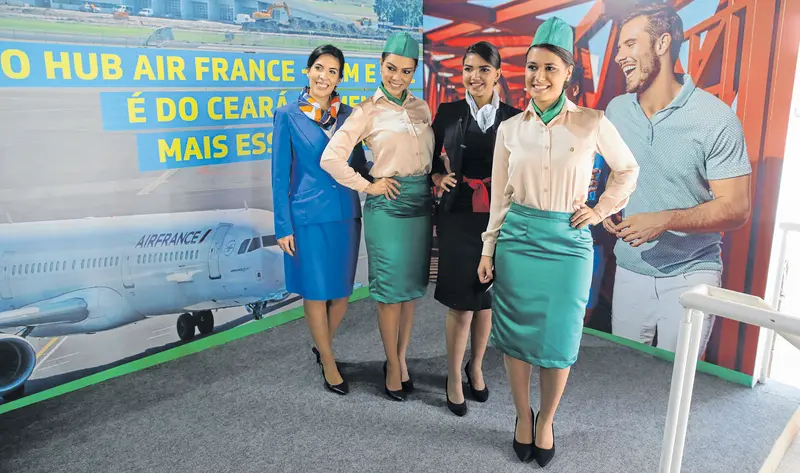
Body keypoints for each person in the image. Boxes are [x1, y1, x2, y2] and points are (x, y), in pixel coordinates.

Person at [476, 17, 639, 466]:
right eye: (532, 67)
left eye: (550, 67)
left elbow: (628, 170)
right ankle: (521, 416)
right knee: (514, 336)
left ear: (568, 73)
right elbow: (500, 197)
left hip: (569, 245)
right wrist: (488, 249)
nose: (539, 76)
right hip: (518, 240)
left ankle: (546, 419)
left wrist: (600, 210)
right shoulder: (510, 129)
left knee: (559, 341)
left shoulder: (592, 122)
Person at [603, 3, 752, 356]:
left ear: (662, 43)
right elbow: (619, 172)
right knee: (622, 375)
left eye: (629, 44)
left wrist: (665, 219)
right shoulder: (616, 111)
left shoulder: (716, 119)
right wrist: (609, 203)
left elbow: (737, 209)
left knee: (677, 381)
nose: (619, 56)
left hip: (691, 275)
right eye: (619, 46)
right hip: (630, 271)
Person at [320, 32, 435, 402]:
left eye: (406, 71)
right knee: (389, 293)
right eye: (391, 68)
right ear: (380, 65)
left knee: (410, 291)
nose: (397, 77)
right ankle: (392, 366)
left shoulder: (421, 108)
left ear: (414, 72)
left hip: (420, 205)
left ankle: (399, 360)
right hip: (387, 207)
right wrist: (368, 185)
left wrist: (437, 174)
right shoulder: (366, 111)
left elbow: (427, 157)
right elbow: (330, 158)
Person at [271, 44, 371, 396]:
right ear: (307, 71)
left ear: (339, 78)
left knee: (341, 292)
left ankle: (322, 345)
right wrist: (282, 226)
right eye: (318, 68)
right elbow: (279, 175)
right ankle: (328, 362)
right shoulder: (287, 115)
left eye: (332, 71)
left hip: (345, 213)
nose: (324, 77)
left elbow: (358, 164)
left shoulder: (349, 116)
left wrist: (389, 171)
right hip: (307, 217)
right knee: (315, 292)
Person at [429, 41, 522, 417]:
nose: (475, 76)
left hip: (497, 218)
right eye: (469, 68)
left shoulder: (515, 118)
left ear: (498, 73)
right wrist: (437, 176)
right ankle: (453, 375)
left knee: (485, 302)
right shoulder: (448, 112)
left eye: (484, 69)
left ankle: (476, 366)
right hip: (458, 216)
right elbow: (429, 157)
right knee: (461, 302)